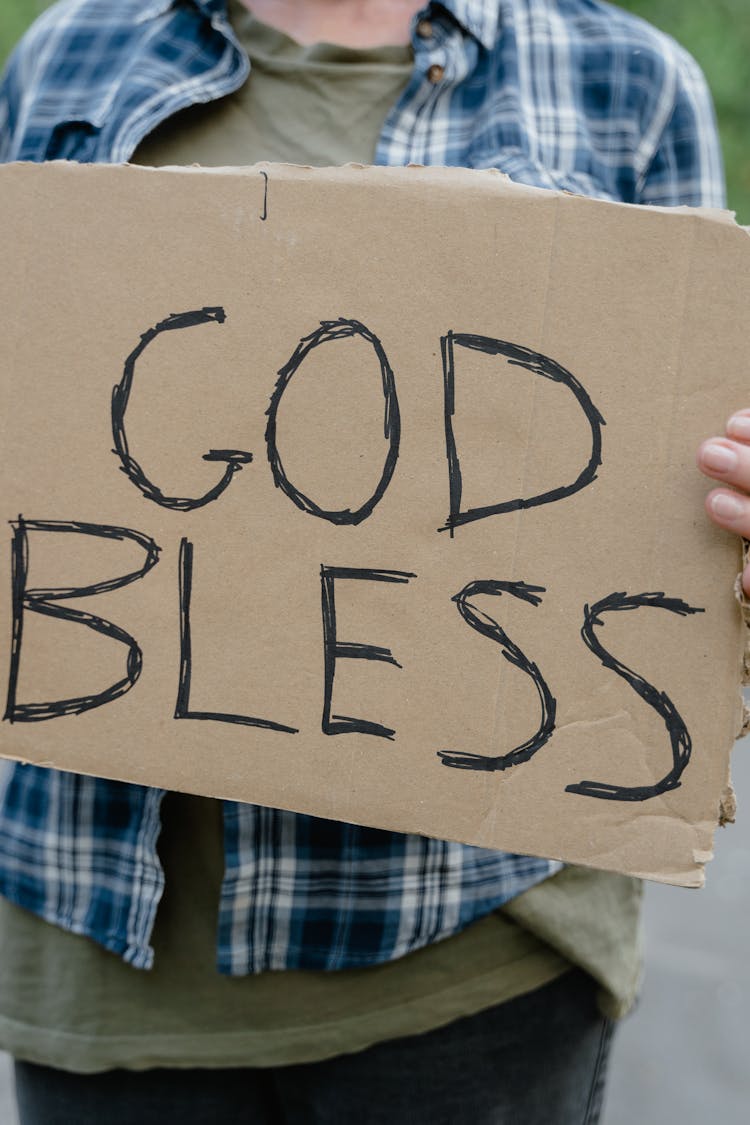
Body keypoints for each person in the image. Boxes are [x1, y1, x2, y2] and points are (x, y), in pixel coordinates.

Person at [0, 1, 740, 1122]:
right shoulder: (70, 49)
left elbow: (681, 526)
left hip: (472, 965)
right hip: (102, 958)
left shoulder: (627, 79)